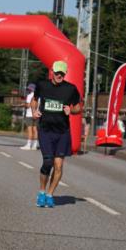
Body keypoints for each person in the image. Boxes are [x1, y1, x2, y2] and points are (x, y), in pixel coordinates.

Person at [31, 61, 83, 208]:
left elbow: (78, 107)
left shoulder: (70, 89)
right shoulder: (42, 85)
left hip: (62, 131)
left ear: (65, 74)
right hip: (45, 129)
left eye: (62, 73)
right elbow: (34, 100)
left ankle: (50, 194)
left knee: (58, 166)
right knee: (48, 162)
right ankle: (41, 192)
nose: (59, 75)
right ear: (52, 72)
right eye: (57, 72)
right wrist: (34, 111)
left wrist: (71, 111)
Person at [21, 82, 39, 149]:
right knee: (35, 130)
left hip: (29, 114)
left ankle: (28, 145)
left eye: (29, 89)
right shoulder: (39, 96)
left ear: (31, 89)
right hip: (37, 114)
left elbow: (28, 105)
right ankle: (34, 145)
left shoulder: (29, 95)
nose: (28, 90)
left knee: (30, 130)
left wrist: (24, 104)